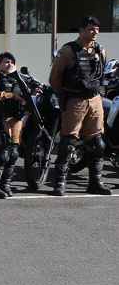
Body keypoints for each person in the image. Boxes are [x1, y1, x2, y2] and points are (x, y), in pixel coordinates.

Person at [49, 15, 111, 196]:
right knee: (68, 142)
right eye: (91, 29)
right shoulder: (67, 51)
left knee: (97, 143)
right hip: (75, 100)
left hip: (95, 100)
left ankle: (95, 183)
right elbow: (54, 79)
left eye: (97, 29)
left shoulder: (101, 51)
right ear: (81, 30)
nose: (95, 32)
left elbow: (101, 75)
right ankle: (59, 183)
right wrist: (66, 96)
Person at [0, 52, 24, 199]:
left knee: (13, 153)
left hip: (16, 120)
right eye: (6, 62)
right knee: (2, 153)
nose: (10, 64)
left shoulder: (17, 79)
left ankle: (5, 185)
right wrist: (10, 95)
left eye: (12, 62)